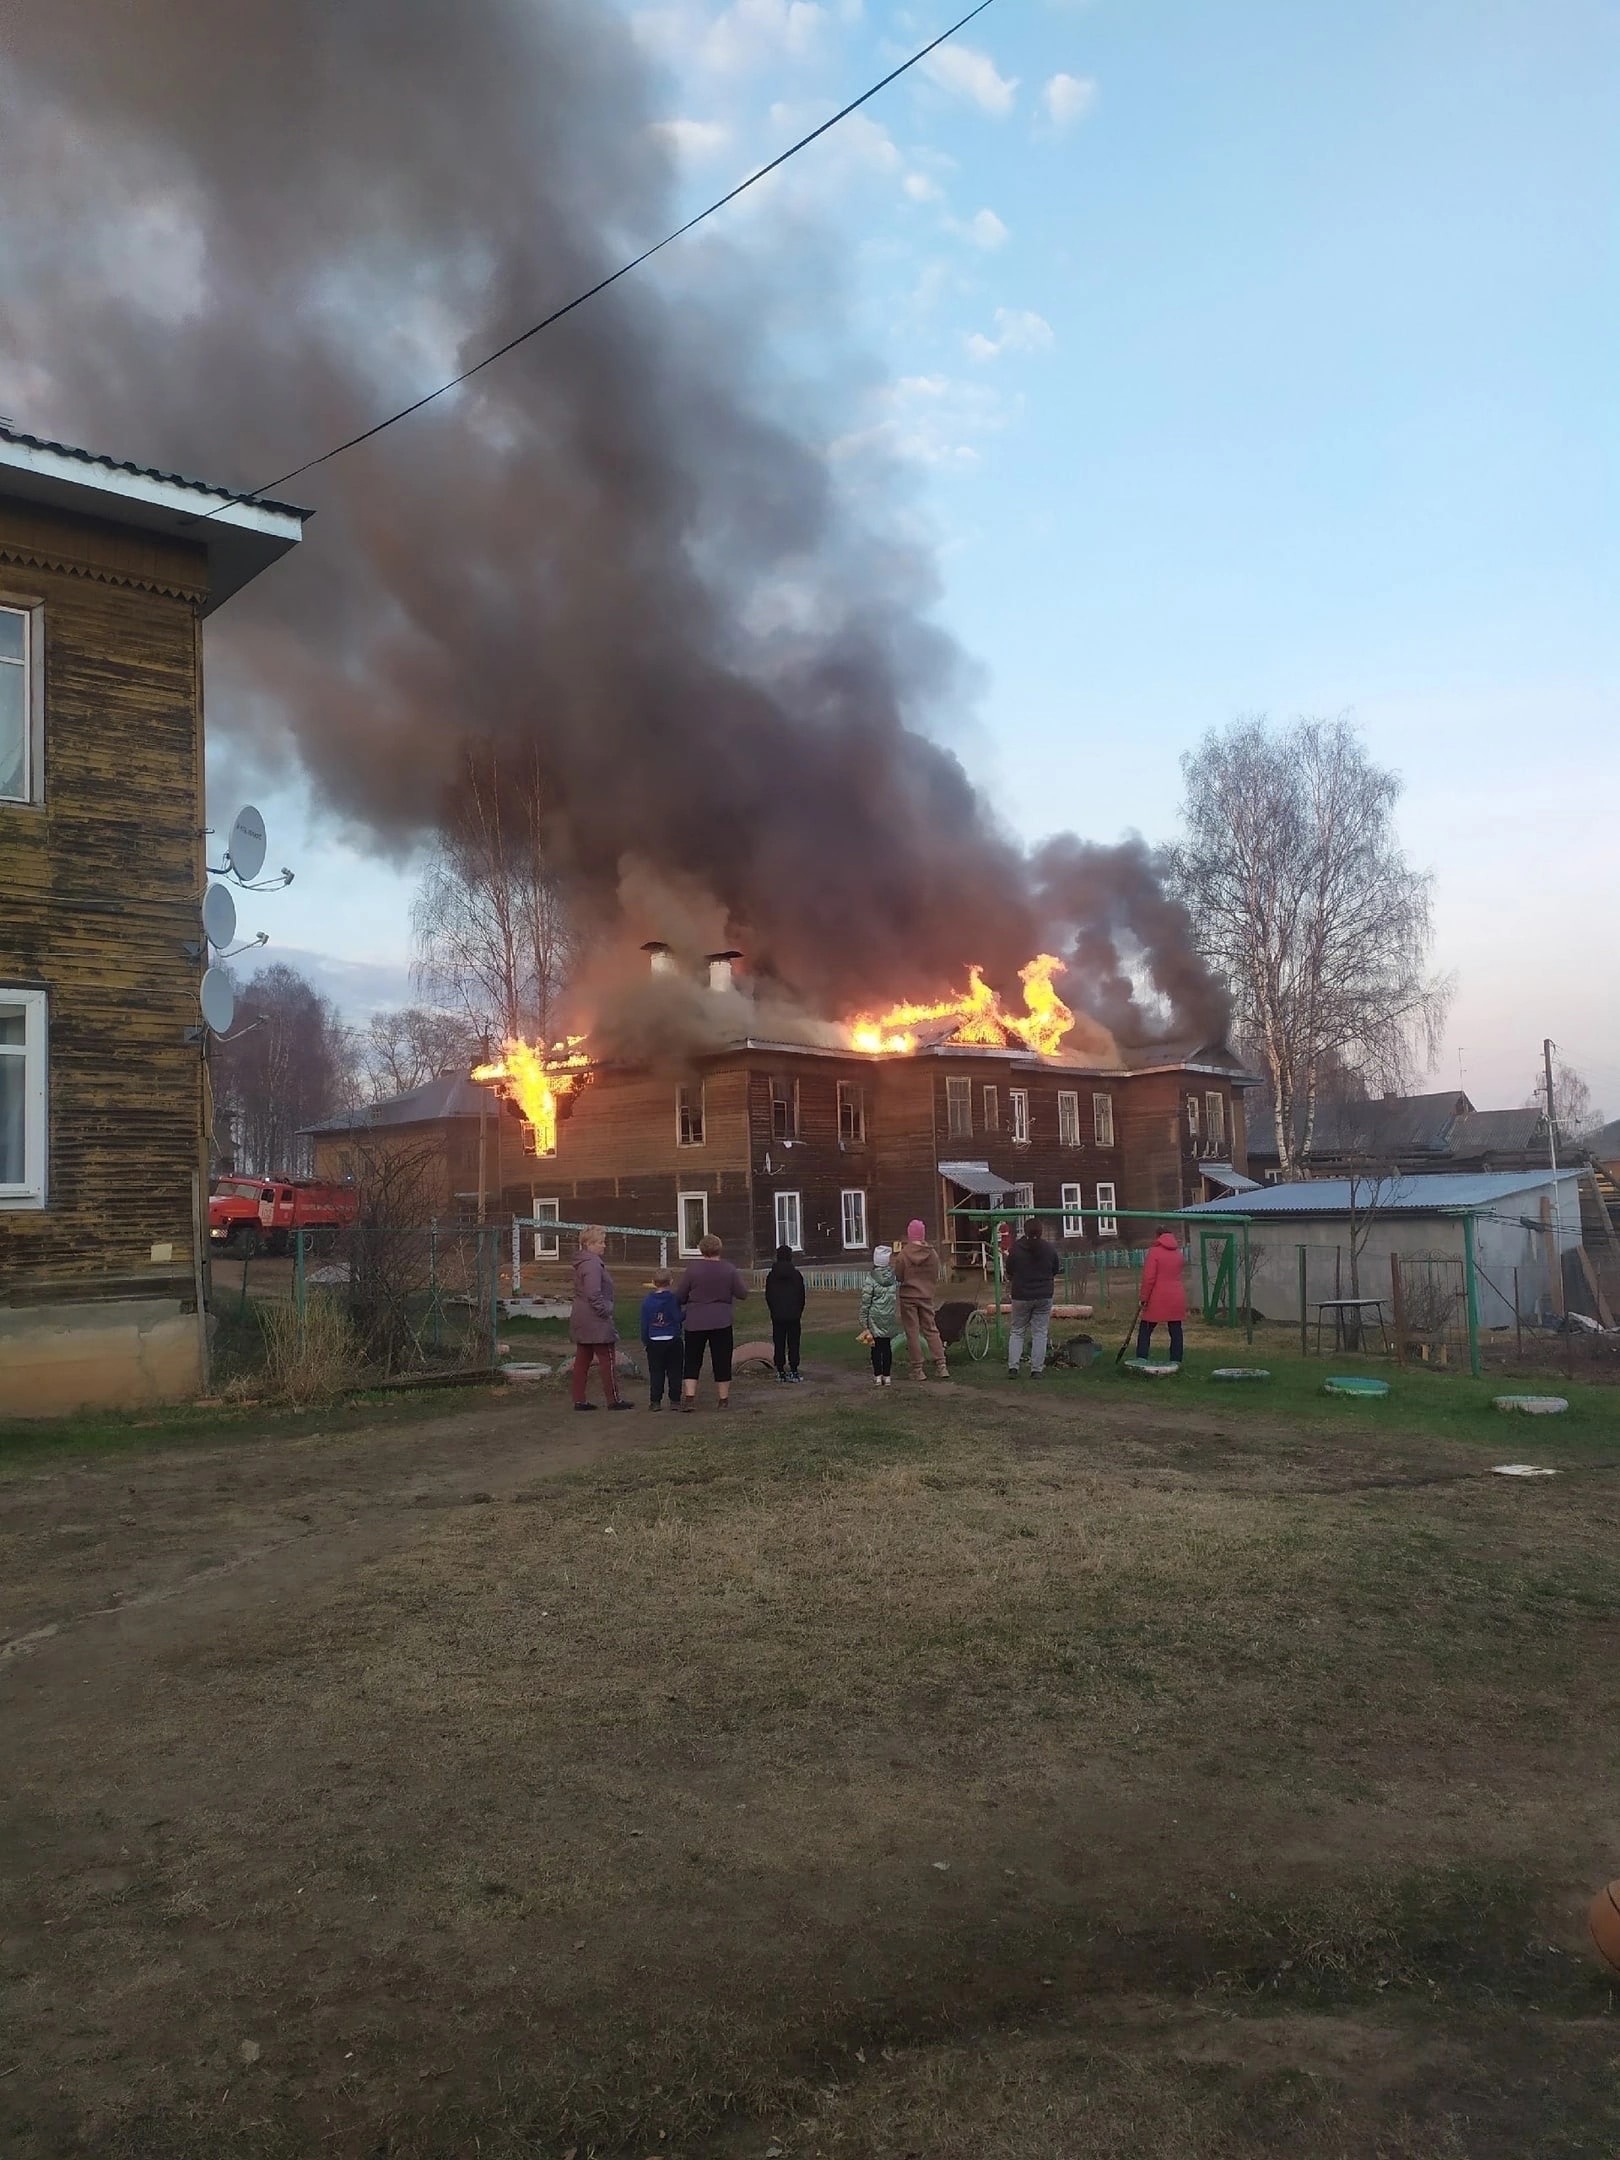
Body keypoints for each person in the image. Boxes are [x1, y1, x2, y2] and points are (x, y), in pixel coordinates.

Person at [677, 1231, 750, 1411]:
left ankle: (690, 1397)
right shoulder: (729, 1269)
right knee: (722, 1359)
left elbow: (680, 1296)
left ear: (701, 1250)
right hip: (721, 1320)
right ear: (720, 1249)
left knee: (693, 1358)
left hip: (695, 1320)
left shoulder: (692, 1269)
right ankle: (723, 1399)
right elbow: (742, 1294)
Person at [570, 1227, 633, 1412]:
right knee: (607, 1359)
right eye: (600, 1242)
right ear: (589, 1244)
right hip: (595, 1320)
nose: (604, 1246)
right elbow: (593, 1293)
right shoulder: (592, 1265)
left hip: (582, 1318)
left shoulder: (583, 1263)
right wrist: (605, 1311)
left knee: (582, 1359)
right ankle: (613, 1399)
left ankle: (579, 1399)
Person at [894, 1217, 949, 1381]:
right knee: (931, 1329)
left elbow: (898, 1276)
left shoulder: (903, 1255)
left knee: (912, 1332)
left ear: (910, 1235)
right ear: (923, 1235)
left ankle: (918, 1370)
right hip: (926, 1296)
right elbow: (935, 1274)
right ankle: (942, 1366)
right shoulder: (933, 1254)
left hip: (908, 1297)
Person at [1006, 1216, 1061, 1377]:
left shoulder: (1016, 1248)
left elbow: (1009, 1269)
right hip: (1043, 1295)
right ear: (1041, 1231)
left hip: (1021, 1295)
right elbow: (1055, 1269)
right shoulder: (1049, 1248)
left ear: (1025, 1231)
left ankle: (1013, 1367)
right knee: (1040, 1333)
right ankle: (1036, 1369)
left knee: (1017, 1331)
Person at [1136, 1229, 1188, 1365]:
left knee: (1145, 1328)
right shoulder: (1178, 1253)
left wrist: (1144, 1298)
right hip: (1176, 1294)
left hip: (1157, 1296)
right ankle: (1176, 1360)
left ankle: (1141, 1358)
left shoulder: (1154, 1252)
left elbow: (1149, 1278)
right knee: (1176, 1328)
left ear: (1158, 1236)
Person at [639, 1267, 684, 1411]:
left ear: (653, 1282)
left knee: (656, 1371)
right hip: (672, 1339)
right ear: (671, 1281)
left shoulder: (647, 1301)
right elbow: (677, 1317)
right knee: (675, 1371)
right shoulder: (673, 1299)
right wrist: (686, 1314)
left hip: (654, 1339)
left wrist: (646, 1340)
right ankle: (675, 1400)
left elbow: (644, 1323)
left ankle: (655, 1401)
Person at [764, 1242, 807, 1383]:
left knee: (779, 1341)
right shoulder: (796, 1275)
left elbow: (768, 1295)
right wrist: (798, 1310)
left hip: (777, 1315)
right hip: (794, 1315)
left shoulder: (772, 1275)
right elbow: (801, 1295)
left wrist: (773, 1310)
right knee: (794, 1342)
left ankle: (780, 1370)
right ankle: (794, 1369)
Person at [859, 1243, 900, 1386]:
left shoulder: (871, 1278)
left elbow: (866, 1300)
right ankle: (887, 1376)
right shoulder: (893, 1278)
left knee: (875, 1347)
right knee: (887, 1347)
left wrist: (863, 1320)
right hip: (888, 1316)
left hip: (874, 1317)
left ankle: (877, 1375)